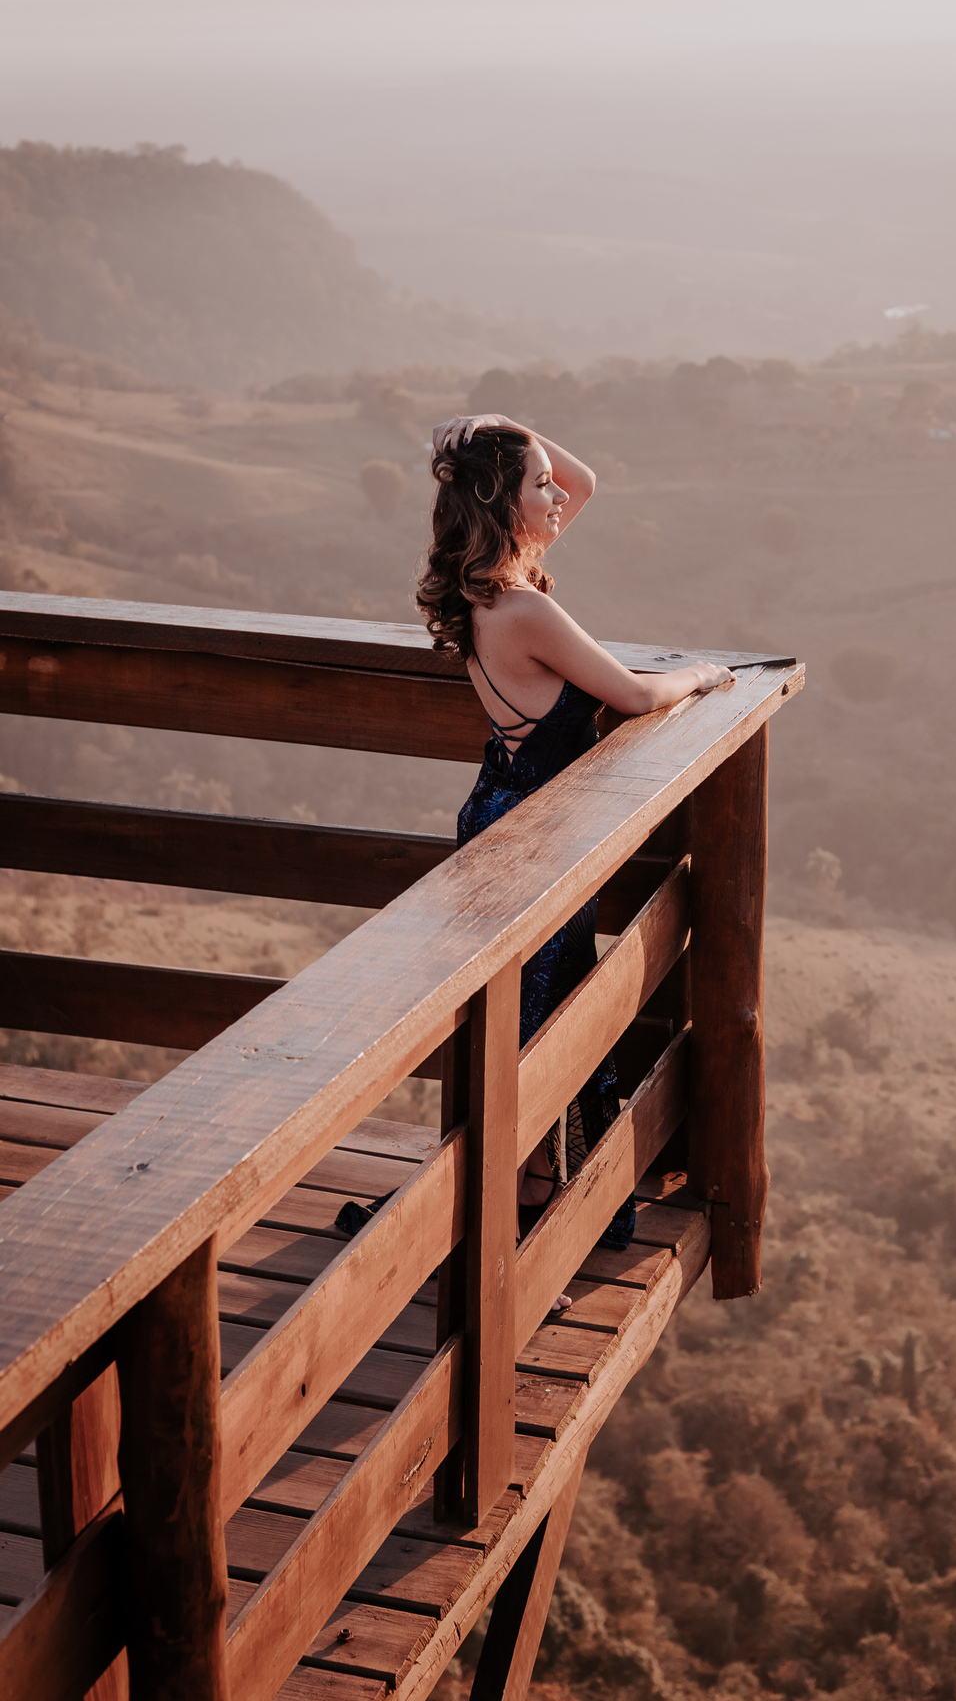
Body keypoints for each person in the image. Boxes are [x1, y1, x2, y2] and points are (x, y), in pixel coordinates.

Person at [415, 412, 734, 1309]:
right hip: (531, 845)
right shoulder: (526, 610)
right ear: (503, 506)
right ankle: (496, 1253)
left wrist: (512, 433)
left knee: (531, 1031)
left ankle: (515, 1218)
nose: (562, 498)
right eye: (538, 487)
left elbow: (584, 482)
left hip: (509, 819)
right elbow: (633, 696)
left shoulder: (495, 590)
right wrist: (701, 678)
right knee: (529, 1042)